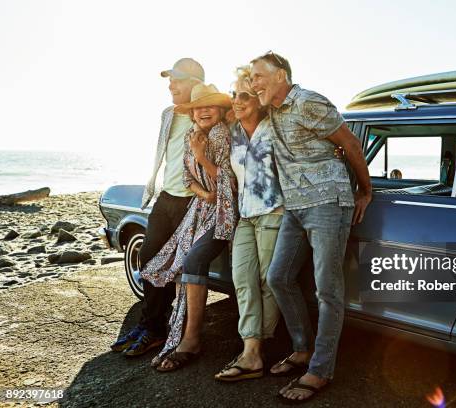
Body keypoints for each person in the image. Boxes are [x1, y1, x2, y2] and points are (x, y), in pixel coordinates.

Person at [250, 51, 372, 402]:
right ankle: (302, 349)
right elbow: (233, 107)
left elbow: (349, 143)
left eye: (259, 76)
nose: (253, 82)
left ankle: (320, 369)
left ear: (281, 76)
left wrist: (365, 190)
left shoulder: (309, 102)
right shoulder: (269, 110)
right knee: (278, 277)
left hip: (328, 202)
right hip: (295, 206)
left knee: (327, 289)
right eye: (252, 77)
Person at [110, 58, 204, 357]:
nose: (170, 85)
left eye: (176, 80)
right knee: (150, 258)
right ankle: (151, 325)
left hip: (193, 201)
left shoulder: (208, 114)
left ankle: (160, 327)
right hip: (166, 197)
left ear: (195, 83)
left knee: (175, 265)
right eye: (170, 80)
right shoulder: (167, 114)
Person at [140, 83, 237, 372]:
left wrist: (202, 157)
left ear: (220, 110)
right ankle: (164, 327)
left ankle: (191, 338)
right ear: (192, 113)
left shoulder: (221, 135)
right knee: (170, 260)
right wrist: (204, 192)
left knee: (192, 259)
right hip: (201, 208)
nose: (204, 111)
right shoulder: (192, 136)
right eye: (198, 108)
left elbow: (229, 183)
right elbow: (185, 177)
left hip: (224, 213)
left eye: (210, 106)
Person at [214, 66, 284, 382]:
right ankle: (252, 346)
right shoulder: (233, 133)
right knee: (242, 277)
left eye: (244, 95)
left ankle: (253, 351)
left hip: (275, 212)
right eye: (234, 95)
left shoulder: (277, 126)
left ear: (258, 98)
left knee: (268, 280)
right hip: (246, 215)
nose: (237, 101)